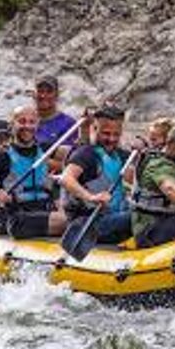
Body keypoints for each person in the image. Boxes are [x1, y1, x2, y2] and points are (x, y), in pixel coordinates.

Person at [0, 106, 66, 238]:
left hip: (42, 210)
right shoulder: (0, 157)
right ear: (12, 125)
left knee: (76, 217)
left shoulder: (47, 150)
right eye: (22, 121)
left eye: (31, 122)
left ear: (37, 125)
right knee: (66, 222)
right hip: (15, 215)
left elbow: (80, 153)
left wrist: (85, 128)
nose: (27, 126)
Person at [60, 104, 132, 244]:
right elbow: (66, 178)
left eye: (116, 134)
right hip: (89, 223)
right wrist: (91, 197)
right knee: (136, 218)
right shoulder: (86, 154)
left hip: (114, 219)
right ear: (94, 128)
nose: (111, 139)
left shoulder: (122, 155)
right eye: (106, 133)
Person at [33, 75, 77, 148]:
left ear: (57, 95)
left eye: (49, 92)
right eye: (40, 91)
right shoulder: (25, 121)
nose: (43, 95)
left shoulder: (69, 124)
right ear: (34, 94)